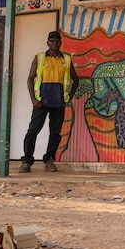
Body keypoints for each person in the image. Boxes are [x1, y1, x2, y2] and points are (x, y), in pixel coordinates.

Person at [19, 31, 78, 173]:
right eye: (51, 40)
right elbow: (30, 78)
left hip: (58, 103)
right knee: (33, 131)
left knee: (55, 133)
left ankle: (49, 160)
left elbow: (75, 80)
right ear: (47, 43)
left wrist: (69, 96)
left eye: (57, 41)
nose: (54, 43)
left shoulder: (67, 59)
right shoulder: (39, 58)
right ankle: (26, 161)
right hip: (41, 102)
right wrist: (33, 99)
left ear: (60, 43)